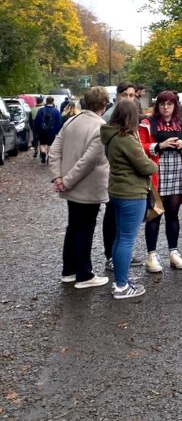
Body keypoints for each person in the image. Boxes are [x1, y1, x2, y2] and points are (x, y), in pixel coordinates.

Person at [48, 86, 110, 289]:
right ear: (103, 104)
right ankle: (84, 274)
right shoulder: (100, 126)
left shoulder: (71, 121)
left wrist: (58, 176)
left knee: (73, 226)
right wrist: (65, 180)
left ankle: (69, 270)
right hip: (88, 187)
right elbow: (88, 162)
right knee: (85, 227)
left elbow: (54, 150)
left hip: (70, 186)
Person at [100, 99, 158, 300]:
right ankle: (122, 286)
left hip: (117, 191)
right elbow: (145, 166)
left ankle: (120, 282)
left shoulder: (111, 136)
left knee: (119, 238)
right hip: (131, 193)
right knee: (126, 240)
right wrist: (153, 164)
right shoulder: (126, 138)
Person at [139, 91, 182, 271]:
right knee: (155, 214)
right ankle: (151, 256)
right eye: (163, 104)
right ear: (158, 105)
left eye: (170, 104)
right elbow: (140, 146)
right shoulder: (148, 123)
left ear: (175, 105)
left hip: (177, 170)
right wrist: (159, 146)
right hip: (156, 172)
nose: (166, 107)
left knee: (173, 213)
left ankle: (173, 252)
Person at [101, 82, 141, 270]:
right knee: (113, 219)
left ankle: (119, 256)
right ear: (117, 96)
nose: (128, 98)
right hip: (116, 177)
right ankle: (112, 256)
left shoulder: (130, 113)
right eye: (125, 95)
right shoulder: (112, 116)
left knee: (121, 224)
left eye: (132, 95)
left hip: (121, 177)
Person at [33, 96, 61, 164]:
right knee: (50, 144)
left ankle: (43, 153)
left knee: (42, 144)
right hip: (52, 131)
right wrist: (58, 132)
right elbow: (58, 123)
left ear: (46, 101)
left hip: (42, 130)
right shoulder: (56, 111)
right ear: (53, 101)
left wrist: (36, 130)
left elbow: (37, 121)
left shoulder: (41, 110)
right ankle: (48, 156)